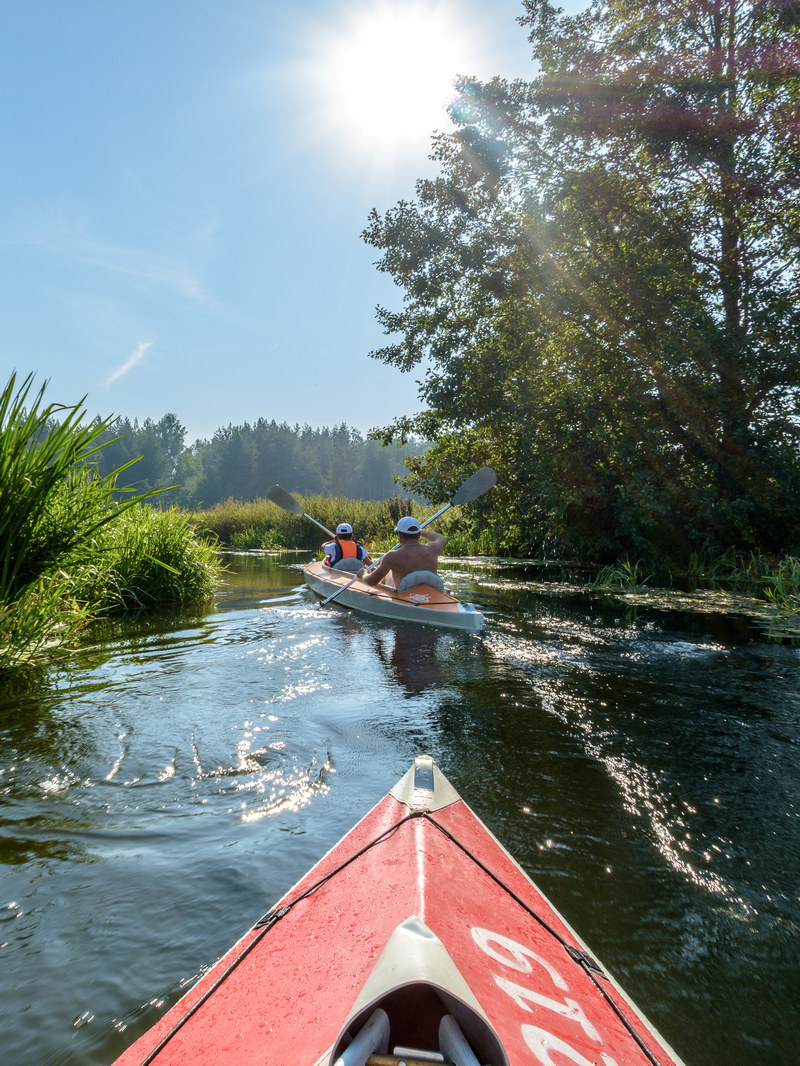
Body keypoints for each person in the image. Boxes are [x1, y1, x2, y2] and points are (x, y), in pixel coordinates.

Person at [358, 516, 446, 592]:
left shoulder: (392, 556)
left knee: (388, 573)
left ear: (400, 535)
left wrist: (363, 574)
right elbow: (442, 539)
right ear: (418, 534)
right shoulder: (432, 549)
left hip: (404, 595)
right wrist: (422, 531)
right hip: (432, 594)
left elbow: (371, 581)